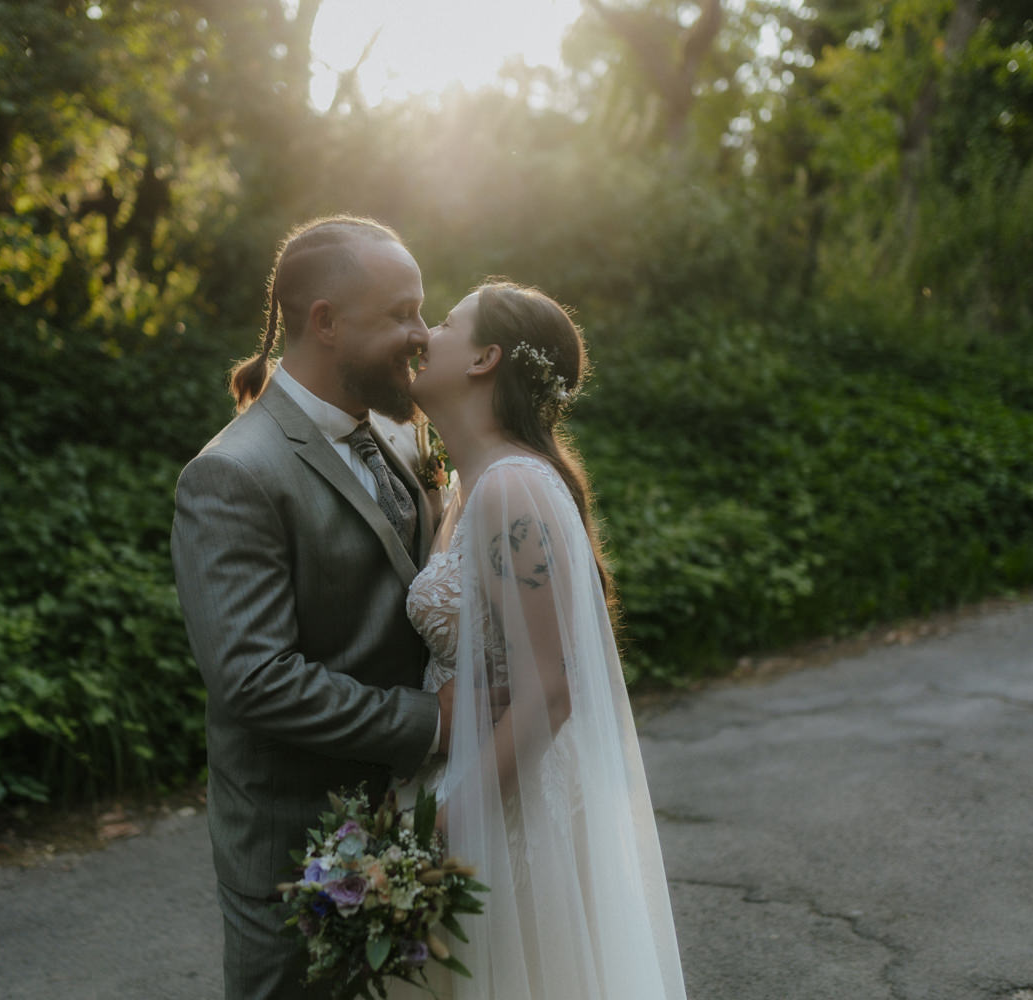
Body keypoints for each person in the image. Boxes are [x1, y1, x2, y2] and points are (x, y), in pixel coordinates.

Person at [171, 215, 454, 1000]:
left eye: (422, 310)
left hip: (414, 821)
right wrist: (434, 722)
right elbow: (254, 677)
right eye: (401, 313)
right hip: (296, 850)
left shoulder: (402, 437)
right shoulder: (233, 474)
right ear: (325, 322)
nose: (421, 333)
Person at [394, 281, 687, 999]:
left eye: (448, 321)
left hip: (503, 809)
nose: (425, 333)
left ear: (484, 358)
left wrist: (446, 824)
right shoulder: (467, 490)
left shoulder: (511, 490)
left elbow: (550, 691)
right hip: (465, 783)